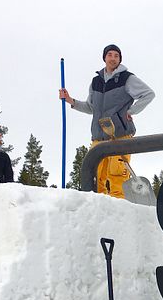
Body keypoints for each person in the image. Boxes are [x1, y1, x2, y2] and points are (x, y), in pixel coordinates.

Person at [59, 44, 155, 198]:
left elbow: (148, 94)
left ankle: (120, 214)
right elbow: (91, 107)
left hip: (121, 135)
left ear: (120, 59)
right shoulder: (96, 81)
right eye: (109, 55)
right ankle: (99, 213)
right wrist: (70, 100)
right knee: (95, 177)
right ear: (104, 58)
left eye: (116, 56)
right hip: (99, 137)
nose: (113, 58)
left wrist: (132, 111)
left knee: (117, 177)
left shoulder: (127, 78)